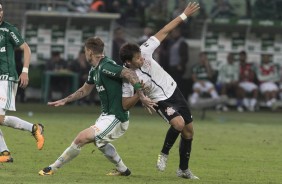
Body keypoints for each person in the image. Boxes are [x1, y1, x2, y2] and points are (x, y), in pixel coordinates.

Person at [38, 36, 155, 176]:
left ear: (89, 52)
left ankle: (52, 168)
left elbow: (129, 73)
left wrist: (141, 95)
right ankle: (123, 170)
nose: (84, 53)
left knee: (81, 138)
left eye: (85, 51)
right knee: (101, 144)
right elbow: (85, 90)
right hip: (106, 116)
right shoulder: (95, 69)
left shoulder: (106, 66)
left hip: (117, 117)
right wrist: (65, 100)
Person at [119, 2, 200, 179]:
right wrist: (141, 96)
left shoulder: (144, 50)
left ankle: (183, 170)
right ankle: (163, 154)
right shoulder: (126, 75)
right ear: (128, 63)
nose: (141, 59)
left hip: (174, 90)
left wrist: (184, 15)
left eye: (141, 56)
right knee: (178, 124)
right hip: (159, 100)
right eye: (137, 59)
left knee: (189, 132)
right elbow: (126, 102)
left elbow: (164, 30)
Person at [0, 2, 44, 163]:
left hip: (6, 78)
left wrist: (24, 71)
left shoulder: (8, 29)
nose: (0, 13)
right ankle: (4, 153)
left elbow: (26, 48)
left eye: (1, 10)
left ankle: (34, 128)